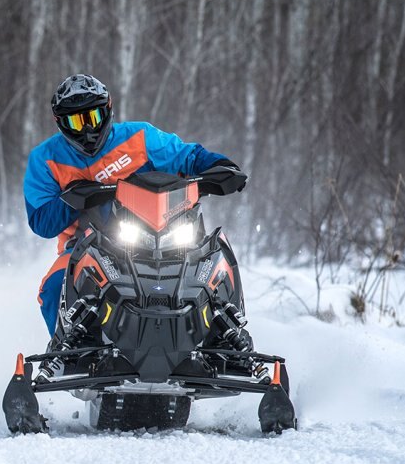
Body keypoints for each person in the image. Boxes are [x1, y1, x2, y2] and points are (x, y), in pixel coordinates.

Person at [23, 74, 242, 336]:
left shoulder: (140, 137)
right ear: (61, 123)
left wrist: (220, 167)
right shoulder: (45, 159)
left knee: (216, 267)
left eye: (93, 117)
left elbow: (187, 155)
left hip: (164, 238)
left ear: (107, 110)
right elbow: (42, 221)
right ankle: (66, 348)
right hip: (89, 246)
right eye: (76, 122)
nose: (87, 130)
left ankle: (228, 337)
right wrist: (73, 199)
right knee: (53, 286)